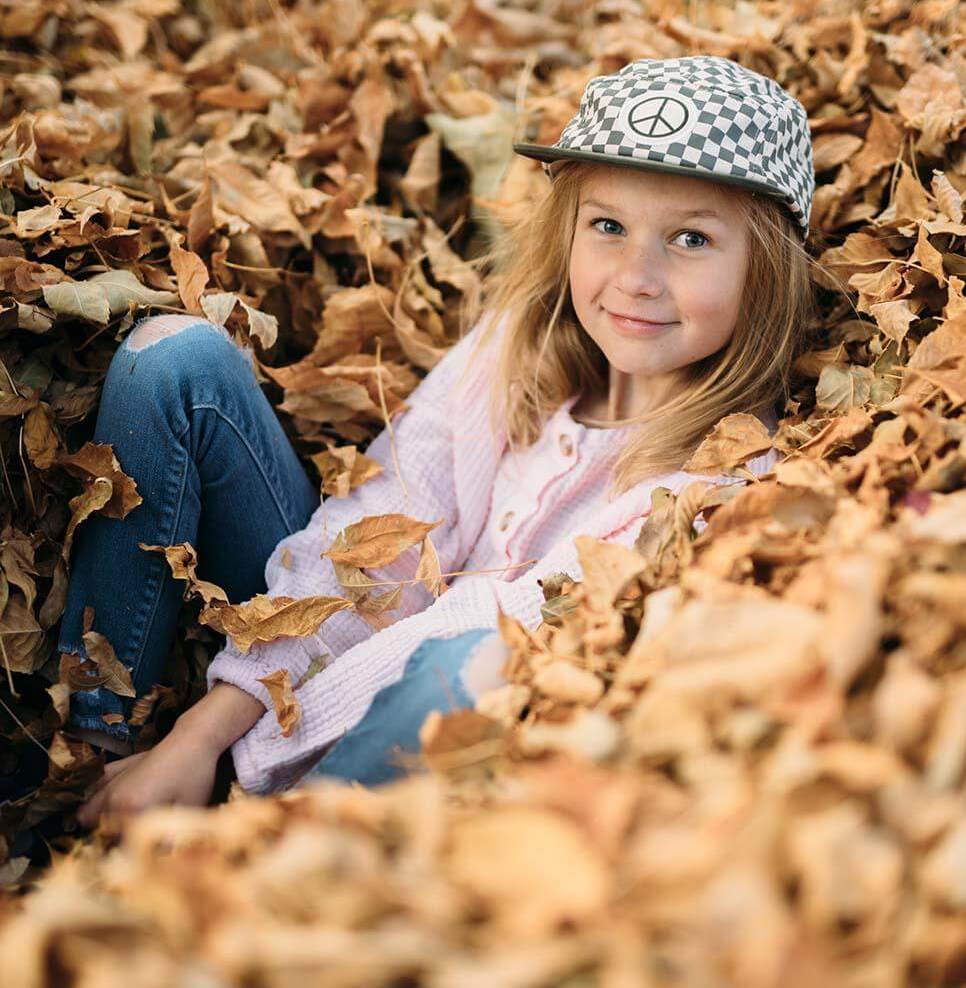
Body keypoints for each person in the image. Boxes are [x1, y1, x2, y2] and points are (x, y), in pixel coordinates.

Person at [69, 55, 815, 828]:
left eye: (690, 238)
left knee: (469, 666)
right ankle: (91, 754)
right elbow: (374, 536)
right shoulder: (513, 351)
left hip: (396, 766)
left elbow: (480, 632)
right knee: (174, 361)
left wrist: (234, 768)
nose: (636, 276)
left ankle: (267, 866)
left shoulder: (718, 478)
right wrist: (197, 730)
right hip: (293, 670)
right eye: (608, 226)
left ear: (766, 270)